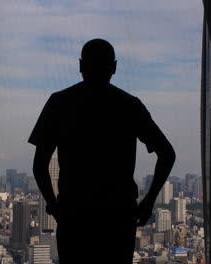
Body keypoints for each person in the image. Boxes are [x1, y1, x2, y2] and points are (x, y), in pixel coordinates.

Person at [28, 38, 176, 264]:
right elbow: (167, 153)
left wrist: (56, 207)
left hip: (75, 214)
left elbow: (39, 165)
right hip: (117, 216)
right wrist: (148, 201)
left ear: (80, 65)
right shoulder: (129, 106)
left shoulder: (59, 103)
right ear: (114, 67)